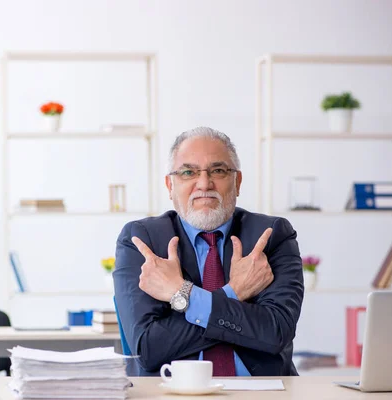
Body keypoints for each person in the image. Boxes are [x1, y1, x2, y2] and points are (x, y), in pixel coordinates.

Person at [113, 126, 304, 377]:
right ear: (170, 185)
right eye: (188, 172)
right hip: (173, 392)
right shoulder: (143, 241)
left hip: (262, 390)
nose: (204, 183)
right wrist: (234, 293)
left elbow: (276, 332)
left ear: (237, 181)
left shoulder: (271, 235)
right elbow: (149, 349)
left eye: (218, 170)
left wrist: (182, 295)